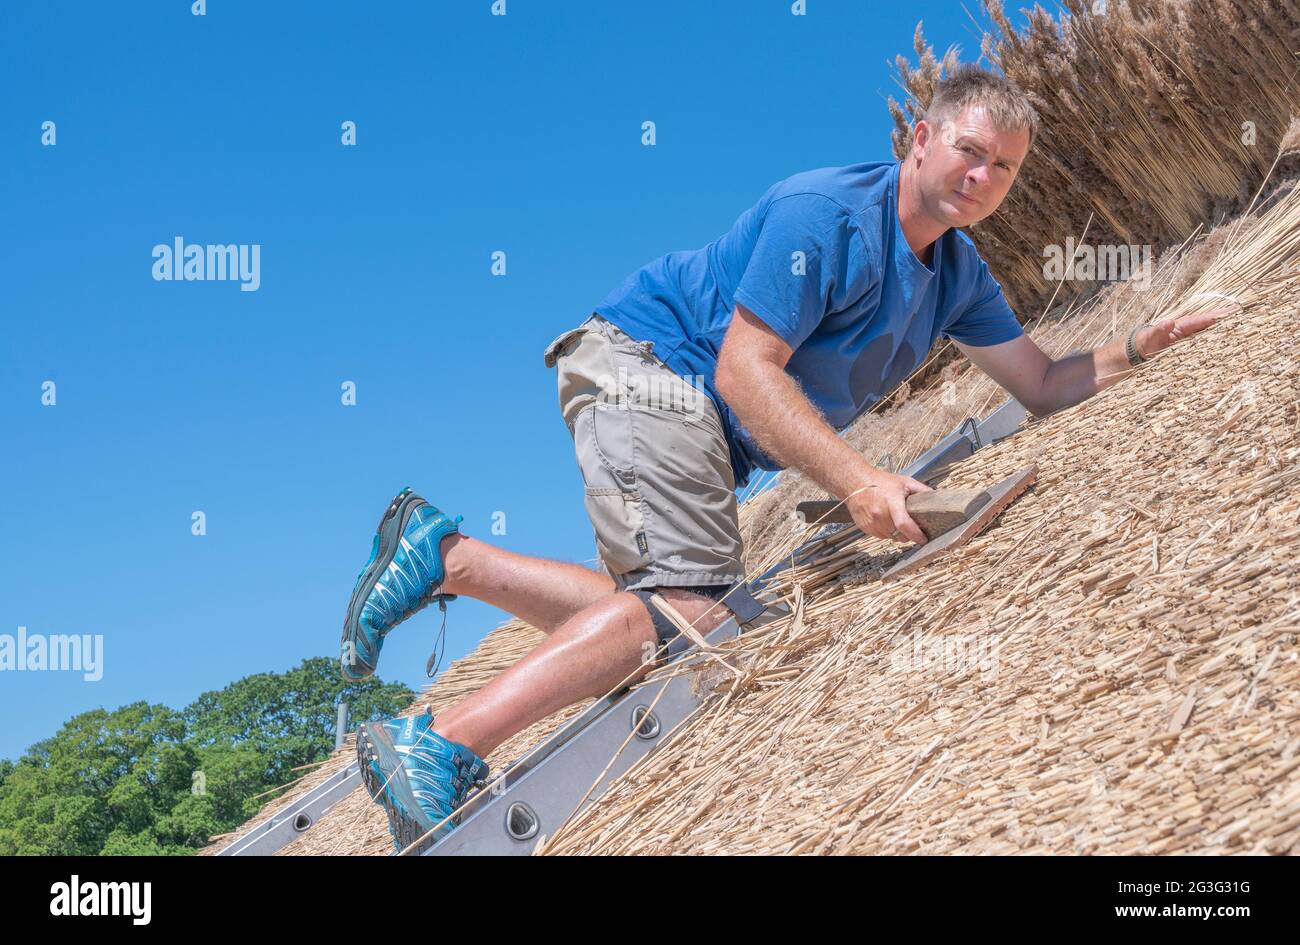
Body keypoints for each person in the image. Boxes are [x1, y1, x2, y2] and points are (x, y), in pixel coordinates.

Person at [342, 64, 1228, 851]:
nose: (982, 176)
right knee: (694, 612)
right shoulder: (830, 216)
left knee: (675, 618)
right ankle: (442, 741)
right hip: (650, 373)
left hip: (697, 419)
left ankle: (451, 557)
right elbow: (743, 368)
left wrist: (1133, 350)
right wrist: (859, 478)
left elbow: (1037, 381)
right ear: (919, 140)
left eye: (1005, 167)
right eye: (969, 150)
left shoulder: (957, 274)